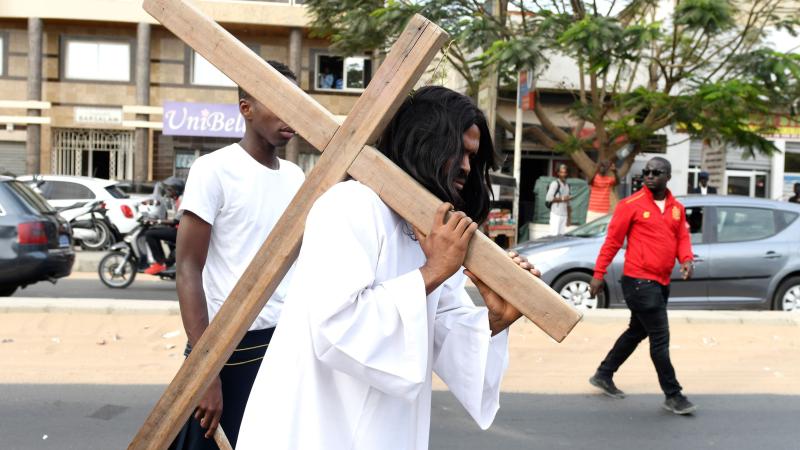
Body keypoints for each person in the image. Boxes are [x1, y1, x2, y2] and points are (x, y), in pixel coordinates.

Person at [237, 86, 539, 450]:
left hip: (386, 429)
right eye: (459, 152)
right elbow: (336, 325)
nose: (466, 167)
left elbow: (441, 332)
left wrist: (494, 320)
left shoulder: (431, 231)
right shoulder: (351, 206)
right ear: (425, 142)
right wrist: (432, 273)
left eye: (473, 158)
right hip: (314, 427)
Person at [170, 60, 306, 450]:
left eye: (296, 104)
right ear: (246, 108)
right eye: (279, 102)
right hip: (224, 349)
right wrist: (204, 369)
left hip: (280, 346)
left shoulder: (297, 177)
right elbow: (188, 268)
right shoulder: (214, 169)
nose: (290, 115)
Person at [587, 157, 697, 415]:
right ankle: (673, 394)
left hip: (661, 282)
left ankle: (604, 374)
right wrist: (598, 273)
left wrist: (687, 259)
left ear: (668, 176)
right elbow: (612, 242)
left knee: (636, 331)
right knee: (660, 339)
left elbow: (681, 237)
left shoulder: (676, 208)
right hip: (638, 281)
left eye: (656, 172)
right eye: (646, 172)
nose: (649, 175)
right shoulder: (630, 205)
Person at [143, 176, 185, 275]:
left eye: (169, 189)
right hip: (179, 230)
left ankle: (160, 263)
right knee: (155, 230)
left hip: (182, 233)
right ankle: (168, 263)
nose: (167, 191)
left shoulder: (182, 200)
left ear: (176, 190)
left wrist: (157, 221)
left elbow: (175, 221)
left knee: (150, 234)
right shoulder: (175, 200)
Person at [545, 164, 571, 235]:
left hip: (564, 215)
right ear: (558, 173)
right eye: (561, 172)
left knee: (561, 238)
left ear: (567, 173)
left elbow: (568, 203)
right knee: (553, 237)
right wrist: (563, 198)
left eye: (565, 172)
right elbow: (548, 198)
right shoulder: (555, 183)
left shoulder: (567, 185)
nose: (563, 174)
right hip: (556, 214)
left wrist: (569, 218)